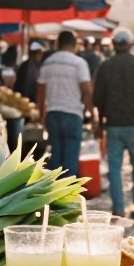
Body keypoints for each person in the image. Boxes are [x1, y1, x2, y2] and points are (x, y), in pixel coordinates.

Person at [93, 28, 134, 222]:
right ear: (130, 44)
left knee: (115, 168)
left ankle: (118, 208)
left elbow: (98, 99)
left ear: (114, 45)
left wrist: (99, 123)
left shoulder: (105, 66)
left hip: (114, 125)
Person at [37, 30, 92, 177]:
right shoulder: (79, 63)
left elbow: (41, 91)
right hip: (73, 114)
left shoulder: (48, 62)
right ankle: (68, 197)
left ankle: (53, 195)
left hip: (53, 114)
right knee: (71, 158)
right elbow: (86, 90)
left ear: (57, 44)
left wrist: (41, 115)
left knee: (55, 157)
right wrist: (89, 113)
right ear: (74, 45)